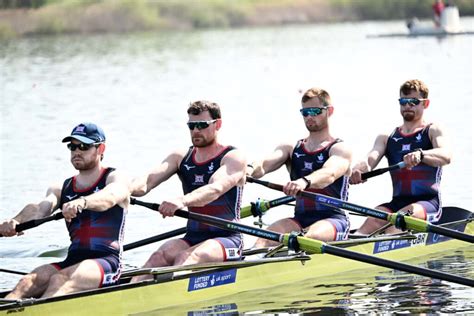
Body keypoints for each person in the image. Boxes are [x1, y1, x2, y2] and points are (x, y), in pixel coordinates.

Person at [0, 123, 130, 299]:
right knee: (28, 282)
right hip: (72, 260)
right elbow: (40, 209)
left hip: (107, 263)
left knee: (59, 280)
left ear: (101, 149)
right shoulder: (62, 188)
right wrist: (16, 221)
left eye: (83, 146)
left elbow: (111, 196)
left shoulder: (114, 177)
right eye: (72, 146)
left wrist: (83, 202)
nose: (77, 151)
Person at [130, 100, 246, 282]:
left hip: (227, 239)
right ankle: (130, 298)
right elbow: (146, 182)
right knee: (158, 258)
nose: (196, 131)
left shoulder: (232, 157)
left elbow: (214, 190)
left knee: (185, 258)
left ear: (218, 124)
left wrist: (181, 201)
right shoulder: (180, 157)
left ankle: (165, 296)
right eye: (191, 126)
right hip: (193, 236)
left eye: (202, 125)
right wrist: (120, 191)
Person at [248, 87, 352, 249]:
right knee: (263, 239)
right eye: (305, 112)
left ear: (329, 111)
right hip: (300, 219)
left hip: (333, 220)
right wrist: (248, 170)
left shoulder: (340, 149)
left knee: (308, 238)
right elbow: (263, 165)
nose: (310, 116)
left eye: (315, 111)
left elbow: (330, 174)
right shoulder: (291, 148)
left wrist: (304, 182)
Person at [350, 79, 451, 235]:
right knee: (372, 220)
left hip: (427, 203)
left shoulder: (432, 131)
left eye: (413, 102)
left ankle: (387, 240)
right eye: (403, 102)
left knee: (399, 221)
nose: (407, 106)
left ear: (426, 104)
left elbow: (446, 155)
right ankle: (352, 246)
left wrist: (421, 154)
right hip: (397, 203)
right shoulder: (387, 137)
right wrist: (358, 169)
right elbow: (370, 159)